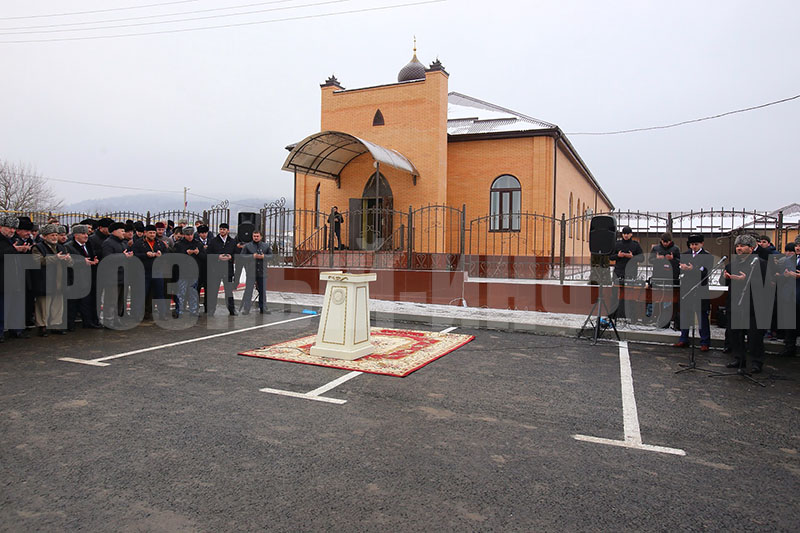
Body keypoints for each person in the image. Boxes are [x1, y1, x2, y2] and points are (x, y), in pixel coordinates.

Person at [723, 234, 768, 374]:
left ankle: (756, 362)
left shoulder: (761, 263)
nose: (739, 248)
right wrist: (725, 278)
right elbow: (724, 283)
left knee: (754, 337)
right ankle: (739, 358)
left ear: (752, 248)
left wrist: (746, 279)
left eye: (742, 246)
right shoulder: (732, 264)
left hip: (754, 306)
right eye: (737, 246)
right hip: (736, 305)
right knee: (735, 334)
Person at [31, 224, 72, 336]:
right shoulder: (38, 247)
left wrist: (68, 259)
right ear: (44, 236)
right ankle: (42, 326)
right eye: (51, 235)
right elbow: (38, 261)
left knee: (57, 305)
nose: (54, 237)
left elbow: (70, 263)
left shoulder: (61, 247)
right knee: (43, 305)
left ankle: (56, 324)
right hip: (45, 280)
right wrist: (55, 258)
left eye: (56, 235)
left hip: (59, 280)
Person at [674, 234, 712, 351]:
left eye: (696, 244)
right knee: (686, 315)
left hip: (700, 289)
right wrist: (684, 269)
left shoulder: (707, 256)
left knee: (702, 316)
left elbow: (705, 272)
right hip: (687, 288)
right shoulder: (685, 255)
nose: (693, 247)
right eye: (692, 245)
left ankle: (704, 341)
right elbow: (679, 269)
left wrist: (692, 269)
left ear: (701, 244)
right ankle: (683, 338)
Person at [65, 224, 102, 330]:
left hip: (87, 278)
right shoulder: (69, 246)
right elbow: (68, 261)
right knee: (73, 303)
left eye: (86, 233)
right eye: (83, 233)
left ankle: (88, 322)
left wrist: (94, 261)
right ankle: (70, 324)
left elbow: (90, 258)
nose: (86, 236)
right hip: (74, 278)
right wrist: (82, 261)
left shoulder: (88, 245)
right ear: (76, 235)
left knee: (86, 302)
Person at [0, 215, 30, 340]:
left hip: (14, 279)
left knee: (14, 306)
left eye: (14, 228)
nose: (12, 230)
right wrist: (14, 249)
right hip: (3, 280)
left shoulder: (12, 240)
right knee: (2, 308)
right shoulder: (6, 243)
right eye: (9, 228)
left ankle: (15, 330)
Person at [100, 222, 134, 328]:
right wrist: (122, 256)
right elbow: (107, 258)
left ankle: (116, 318)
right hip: (112, 277)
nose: (123, 233)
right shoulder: (108, 243)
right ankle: (108, 320)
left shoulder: (123, 243)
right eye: (121, 231)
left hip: (123, 276)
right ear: (114, 231)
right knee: (111, 300)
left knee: (120, 300)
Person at [132, 224, 169, 321]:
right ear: (145, 233)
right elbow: (134, 255)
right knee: (142, 294)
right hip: (144, 272)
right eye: (150, 233)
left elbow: (167, 254)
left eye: (153, 232)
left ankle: (162, 314)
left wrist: (161, 255)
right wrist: (145, 255)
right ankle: (138, 315)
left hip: (157, 271)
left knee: (160, 293)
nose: (152, 234)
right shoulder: (139, 243)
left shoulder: (160, 243)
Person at [610, 225, 643, 320]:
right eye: (624, 233)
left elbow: (642, 258)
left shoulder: (635, 245)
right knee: (615, 294)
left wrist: (633, 257)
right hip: (618, 271)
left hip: (631, 272)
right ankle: (613, 315)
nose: (626, 235)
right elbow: (610, 257)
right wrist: (618, 255)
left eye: (628, 233)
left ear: (631, 234)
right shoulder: (617, 244)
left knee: (630, 294)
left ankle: (631, 316)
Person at [648, 233, 681, 328]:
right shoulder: (656, 249)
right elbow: (650, 260)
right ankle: (654, 319)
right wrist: (657, 258)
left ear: (670, 241)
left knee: (667, 301)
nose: (665, 244)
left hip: (670, 277)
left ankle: (666, 322)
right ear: (661, 241)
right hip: (658, 276)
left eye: (667, 242)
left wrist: (672, 259)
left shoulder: (675, 249)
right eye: (663, 242)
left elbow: (680, 261)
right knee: (656, 300)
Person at [206, 223, 239, 316]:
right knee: (213, 291)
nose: (222, 231)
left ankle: (232, 309)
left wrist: (230, 257)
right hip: (216, 270)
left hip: (227, 270)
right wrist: (218, 257)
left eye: (224, 229)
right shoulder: (213, 241)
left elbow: (236, 254)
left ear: (228, 231)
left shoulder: (232, 242)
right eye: (221, 229)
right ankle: (211, 310)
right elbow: (208, 254)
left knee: (228, 291)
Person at [174, 226, 204, 317]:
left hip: (194, 272)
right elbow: (175, 258)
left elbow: (204, 257)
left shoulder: (198, 244)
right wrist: (186, 253)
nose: (190, 236)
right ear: (184, 235)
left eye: (191, 234)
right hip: (182, 273)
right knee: (181, 293)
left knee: (193, 293)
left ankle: (193, 311)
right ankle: (179, 311)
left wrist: (198, 253)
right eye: (188, 235)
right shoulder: (179, 245)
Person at [777, 236, 799, 357]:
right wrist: (783, 276)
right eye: (796, 246)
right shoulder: (786, 261)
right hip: (788, 295)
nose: (797, 248)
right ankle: (789, 346)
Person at [240, 230, 271, 315]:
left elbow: (272, 256)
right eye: (254, 236)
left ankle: (263, 308)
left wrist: (264, 256)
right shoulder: (247, 246)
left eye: (257, 236)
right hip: (251, 272)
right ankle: (246, 309)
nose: (256, 238)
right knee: (248, 291)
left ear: (261, 237)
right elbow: (242, 256)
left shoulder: (266, 246)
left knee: (262, 291)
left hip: (262, 272)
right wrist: (252, 256)